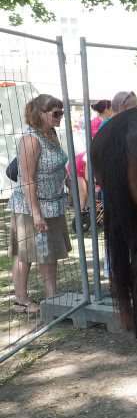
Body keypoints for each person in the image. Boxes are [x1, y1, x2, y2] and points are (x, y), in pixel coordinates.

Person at [9, 95, 72, 313]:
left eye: (61, 112)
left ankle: (52, 294)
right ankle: (21, 300)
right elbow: (27, 179)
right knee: (26, 253)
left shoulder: (51, 134)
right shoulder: (31, 139)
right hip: (30, 206)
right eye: (56, 113)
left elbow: (58, 165)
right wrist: (36, 213)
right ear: (41, 114)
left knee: (50, 250)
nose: (60, 117)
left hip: (53, 203)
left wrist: (70, 185)